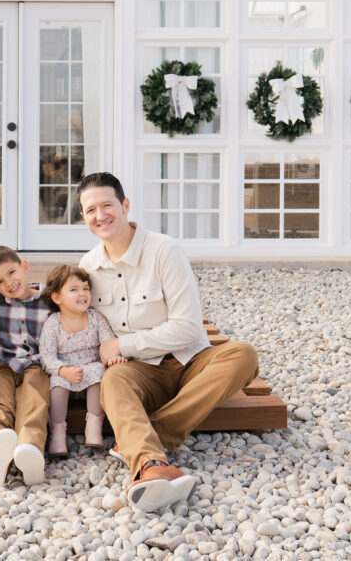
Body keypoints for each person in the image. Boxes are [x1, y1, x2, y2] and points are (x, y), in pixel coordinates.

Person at [77, 172, 260, 512]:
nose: (100, 216)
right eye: (90, 210)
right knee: (113, 380)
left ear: (125, 205)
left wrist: (123, 346)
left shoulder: (164, 250)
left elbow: (188, 328)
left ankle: (148, 437)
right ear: (83, 216)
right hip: (140, 372)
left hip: (190, 362)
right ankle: (151, 464)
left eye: (107, 205)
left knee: (244, 355)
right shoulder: (88, 266)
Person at [0, 246, 52, 489]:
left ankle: (29, 450)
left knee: (35, 399)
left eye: (11, 272)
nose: (9, 283)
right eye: (0, 281)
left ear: (24, 267)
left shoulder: (49, 301)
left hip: (36, 364)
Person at [38, 264, 126, 456]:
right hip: (66, 370)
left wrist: (113, 358)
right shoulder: (53, 323)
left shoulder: (96, 317)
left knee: (99, 373)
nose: (82, 293)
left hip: (91, 368)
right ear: (57, 298)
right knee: (57, 384)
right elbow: (47, 355)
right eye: (74, 289)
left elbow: (108, 341)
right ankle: (58, 433)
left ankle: (93, 427)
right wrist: (63, 370)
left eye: (85, 288)